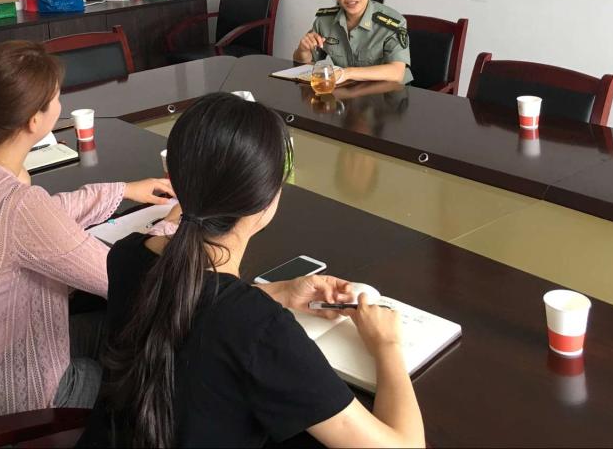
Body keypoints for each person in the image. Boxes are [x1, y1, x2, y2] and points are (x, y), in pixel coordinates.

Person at [83, 92, 425, 448]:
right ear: (267, 199)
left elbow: (190, 305)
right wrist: (387, 344)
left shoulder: (126, 255)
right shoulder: (259, 329)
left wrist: (279, 292)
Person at [0, 41, 174, 430]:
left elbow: (41, 217)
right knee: (147, 337)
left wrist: (124, 191)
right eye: (57, 98)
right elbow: (122, 278)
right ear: (34, 120)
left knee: (108, 325)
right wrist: (172, 223)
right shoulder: (18, 206)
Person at [293, 0, 413, 84]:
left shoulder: (392, 23)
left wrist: (347, 73)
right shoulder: (324, 21)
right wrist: (303, 50)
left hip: (390, 93)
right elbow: (306, 64)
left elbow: (397, 72)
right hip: (349, 92)